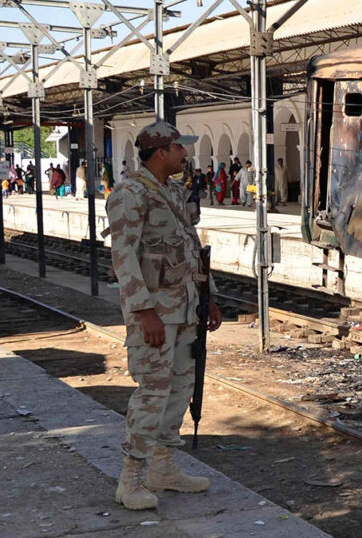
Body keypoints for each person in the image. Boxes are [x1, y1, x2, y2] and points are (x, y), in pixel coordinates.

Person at [105, 119, 221, 511]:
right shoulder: (129, 194)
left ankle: (163, 468)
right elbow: (123, 257)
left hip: (186, 310)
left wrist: (210, 296)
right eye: (179, 149)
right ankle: (131, 479)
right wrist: (144, 311)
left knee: (178, 391)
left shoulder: (172, 191)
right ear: (160, 152)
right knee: (152, 394)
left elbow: (190, 248)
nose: (185, 155)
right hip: (155, 315)